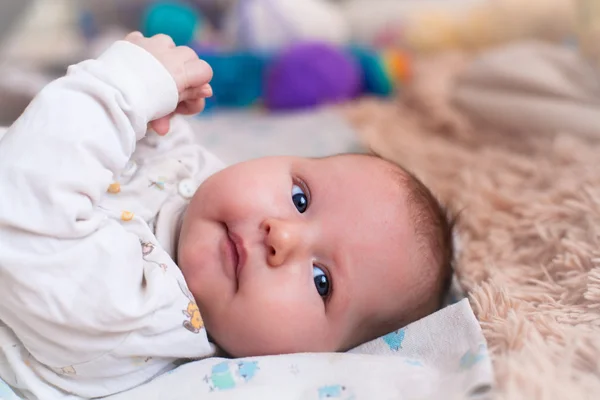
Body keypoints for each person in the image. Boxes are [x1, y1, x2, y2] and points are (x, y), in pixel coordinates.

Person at [0, 32, 454, 399]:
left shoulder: (140, 315)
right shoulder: (197, 179)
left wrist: (124, 88)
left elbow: (23, 205)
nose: (284, 237)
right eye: (300, 197)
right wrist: (155, 110)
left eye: (322, 281)